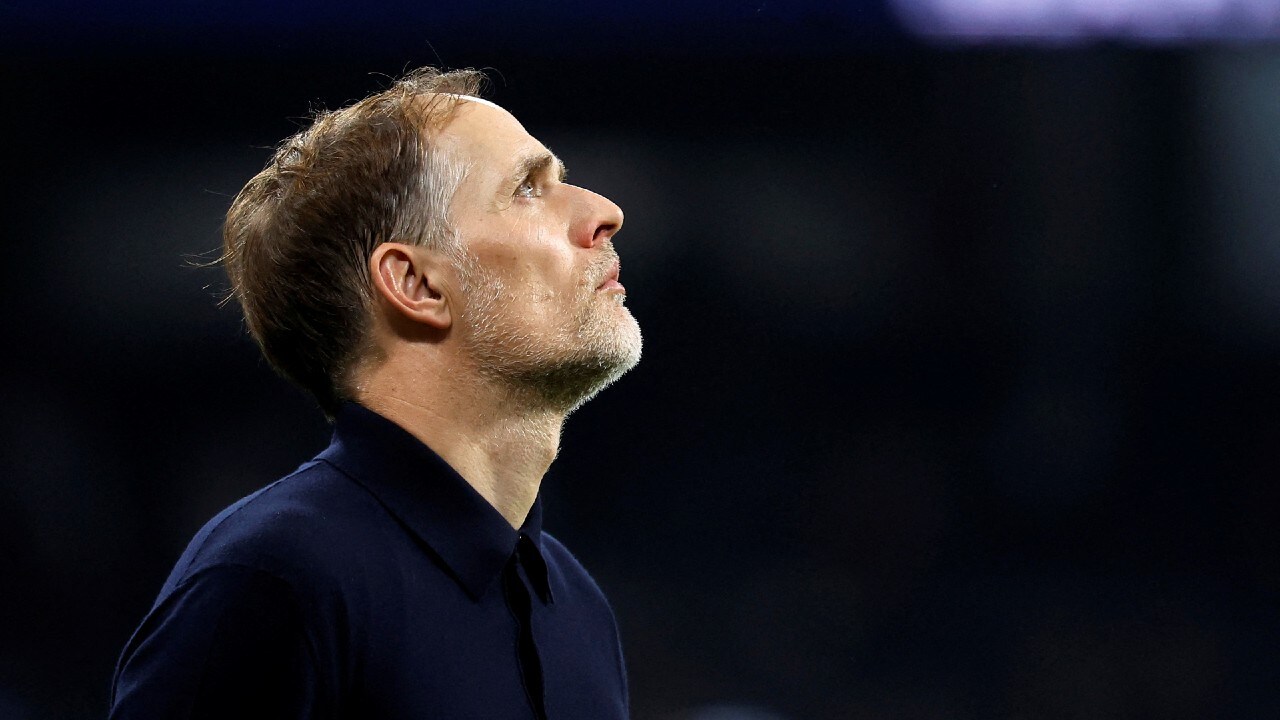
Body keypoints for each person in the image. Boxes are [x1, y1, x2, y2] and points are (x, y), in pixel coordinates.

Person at [108, 67, 641, 719]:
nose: (604, 212)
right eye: (527, 188)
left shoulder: (580, 611)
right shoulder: (273, 582)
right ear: (416, 284)